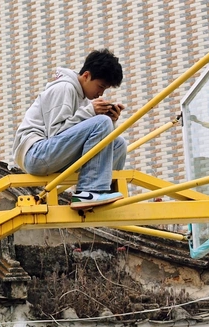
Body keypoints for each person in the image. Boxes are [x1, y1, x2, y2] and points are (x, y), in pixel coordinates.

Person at [11, 48, 128, 209]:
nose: (101, 93)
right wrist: (92, 113)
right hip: (36, 153)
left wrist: (111, 119)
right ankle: (89, 192)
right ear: (86, 76)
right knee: (102, 122)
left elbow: (80, 137)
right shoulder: (64, 88)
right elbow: (55, 133)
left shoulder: (84, 99)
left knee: (118, 143)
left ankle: (105, 194)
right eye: (100, 86)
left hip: (55, 154)